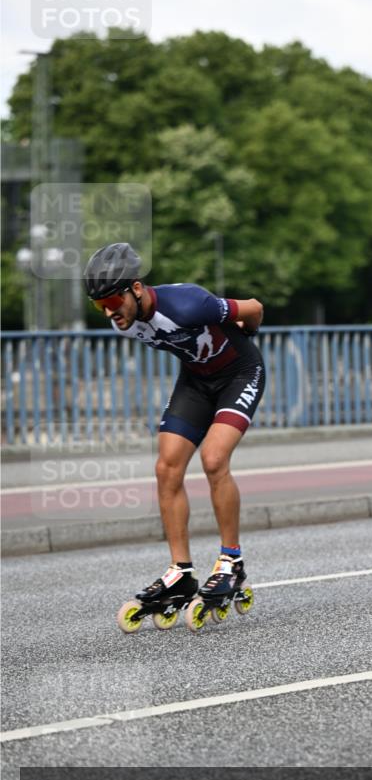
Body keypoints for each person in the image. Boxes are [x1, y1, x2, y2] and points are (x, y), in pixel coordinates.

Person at [83, 242, 265, 619]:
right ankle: (181, 572)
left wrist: (248, 334)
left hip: (239, 373)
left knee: (214, 460)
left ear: (135, 288)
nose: (109, 313)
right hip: (196, 383)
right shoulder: (125, 324)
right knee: (167, 468)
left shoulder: (188, 303)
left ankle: (231, 561)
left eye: (113, 303)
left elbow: (255, 307)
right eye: (99, 307)